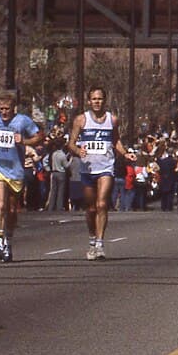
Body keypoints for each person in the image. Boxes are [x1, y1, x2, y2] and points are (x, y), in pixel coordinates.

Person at [0, 90, 44, 262]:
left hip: (16, 170)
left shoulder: (22, 120)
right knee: (0, 204)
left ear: (13, 109)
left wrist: (24, 142)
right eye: (1, 109)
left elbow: (39, 136)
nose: (4, 112)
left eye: (7, 109)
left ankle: (8, 241)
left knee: (12, 209)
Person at [67, 87, 124, 258]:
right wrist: (78, 151)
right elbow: (71, 143)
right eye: (94, 99)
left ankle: (100, 244)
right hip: (87, 169)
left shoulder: (112, 120)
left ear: (104, 100)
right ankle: (92, 239)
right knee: (91, 208)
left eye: (100, 99)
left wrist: (125, 152)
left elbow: (116, 140)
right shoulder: (81, 120)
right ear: (89, 101)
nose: (97, 102)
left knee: (101, 204)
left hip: (106, 168)